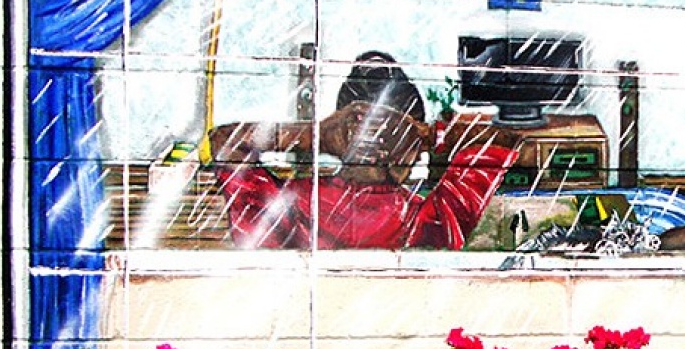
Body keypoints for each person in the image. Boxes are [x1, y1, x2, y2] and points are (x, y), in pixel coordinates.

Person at [208, 51, 524, 249]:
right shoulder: (433, 220)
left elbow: (229, 141)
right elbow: (508, 134)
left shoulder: (290, 207)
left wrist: (313, 135)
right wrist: (428, 135)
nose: (379, 148)